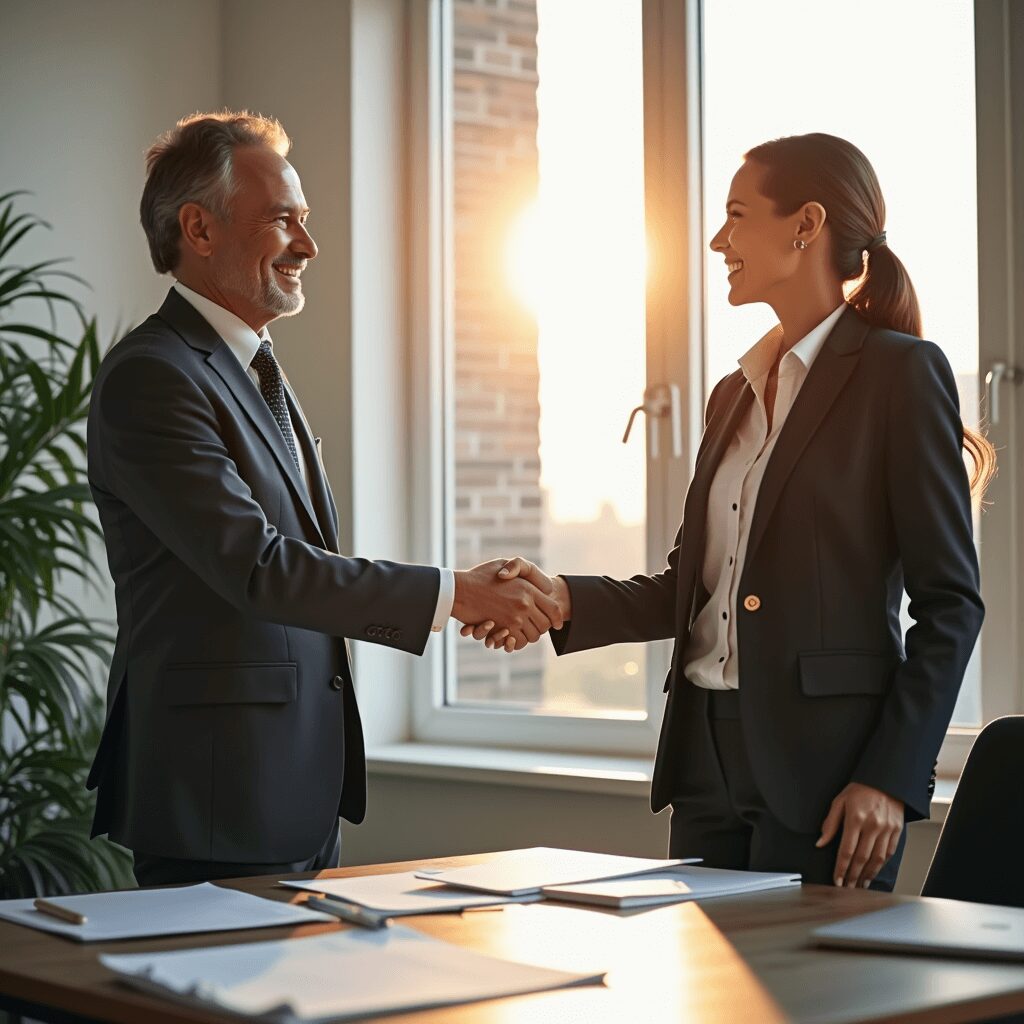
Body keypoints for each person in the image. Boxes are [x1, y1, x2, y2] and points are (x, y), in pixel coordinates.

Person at [465, 133, 994, 891]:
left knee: (807, 1002)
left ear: (805, 225)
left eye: (737, 215)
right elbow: (696, 585)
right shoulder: (732, 392)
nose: (719, 240)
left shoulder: (899, 375)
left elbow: (951, 605)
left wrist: (892, 776)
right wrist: (561, 601)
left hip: (830, 772)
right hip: (704, 756)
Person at [86, 111, 562, 886]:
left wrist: (466, 596)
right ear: (198, 229)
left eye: (304, 220)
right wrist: (457, 595)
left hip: (294, 789)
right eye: (283, 221)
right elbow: (262, 569)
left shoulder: (252, 370)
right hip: (219, 797)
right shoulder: (153, 377)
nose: (308, 245)